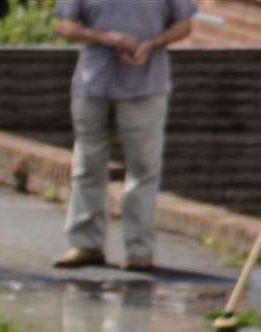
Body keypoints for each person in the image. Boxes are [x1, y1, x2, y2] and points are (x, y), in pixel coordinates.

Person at [51, 0, 198, 273]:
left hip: (147, 85)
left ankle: (139, 251)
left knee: (143, 169)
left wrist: (153, 44)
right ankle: (86, 244)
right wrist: (106, 38)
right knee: (88, 164)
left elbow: (184, 24)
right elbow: (64, 25)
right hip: (93, 82)